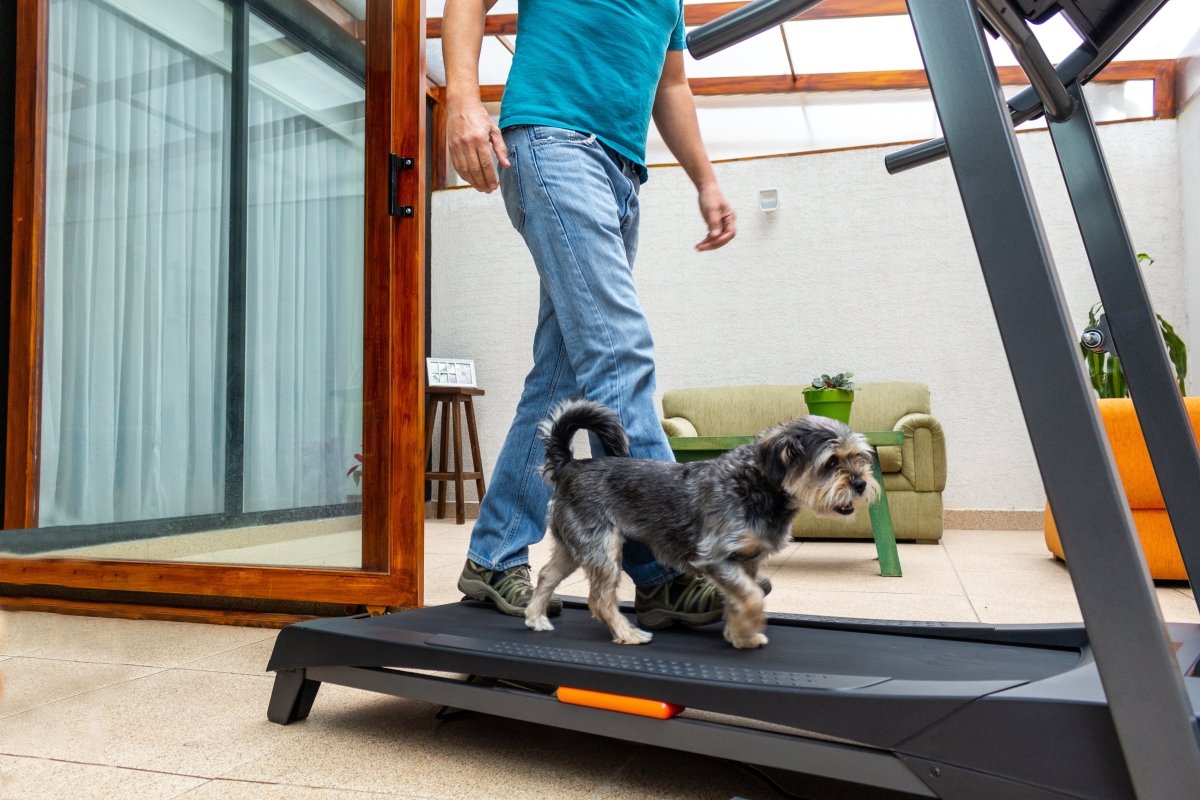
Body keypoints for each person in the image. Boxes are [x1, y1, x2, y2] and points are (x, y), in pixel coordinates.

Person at [444, 0, 739, 629]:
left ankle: (492, 554)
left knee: (562, 377)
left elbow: (672, 83)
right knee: (619, 352)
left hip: (623, 174)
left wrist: (706, 181)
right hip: (554, 142)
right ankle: (667, 568)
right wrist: (462, 101)